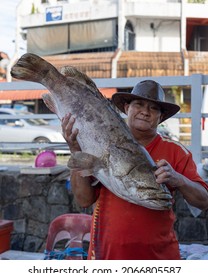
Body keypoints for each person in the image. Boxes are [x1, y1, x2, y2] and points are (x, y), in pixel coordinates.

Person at [61, 80, 208, 260]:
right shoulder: (101, 142)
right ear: (126, 108)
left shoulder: (176, 152)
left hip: (159, 258)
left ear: (160, 117)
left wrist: (179, 179)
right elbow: (84, 200)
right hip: (106, 255)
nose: (145, 112)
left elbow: (204, 201)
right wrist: (75, 149)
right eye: (139, 104)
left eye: (153, 108)